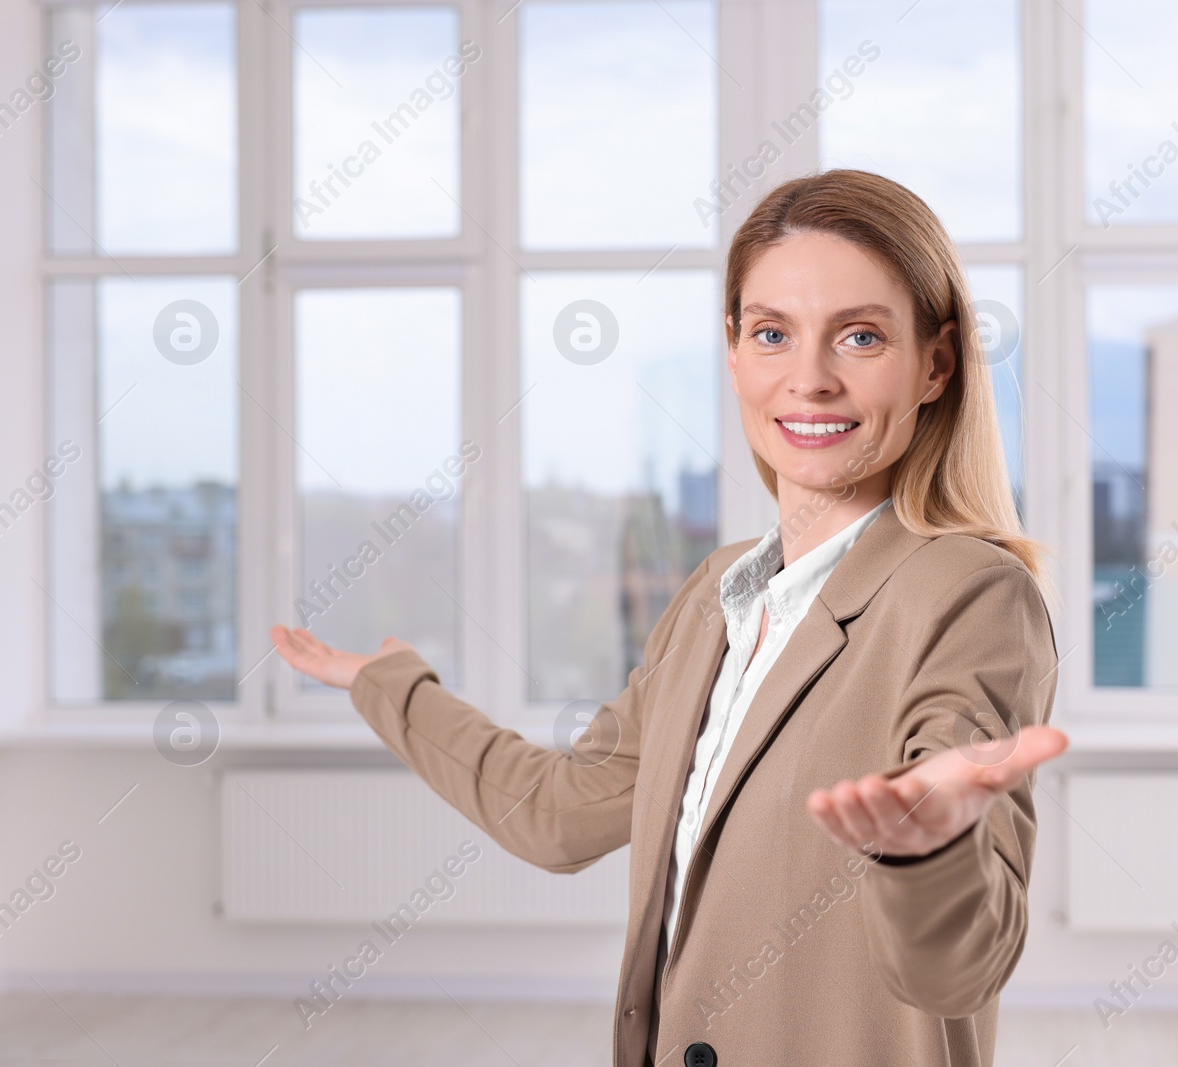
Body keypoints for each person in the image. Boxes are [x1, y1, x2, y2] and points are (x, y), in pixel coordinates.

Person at [271, 168, 1065, 1067]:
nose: (809, 380)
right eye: (773, 333)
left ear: (936, 363)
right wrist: (389, 685)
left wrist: (930, 851)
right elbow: (561, 811)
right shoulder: (718, 594)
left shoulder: (967, 591)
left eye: (860, 336)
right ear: (734, 353)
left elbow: (958, 971)